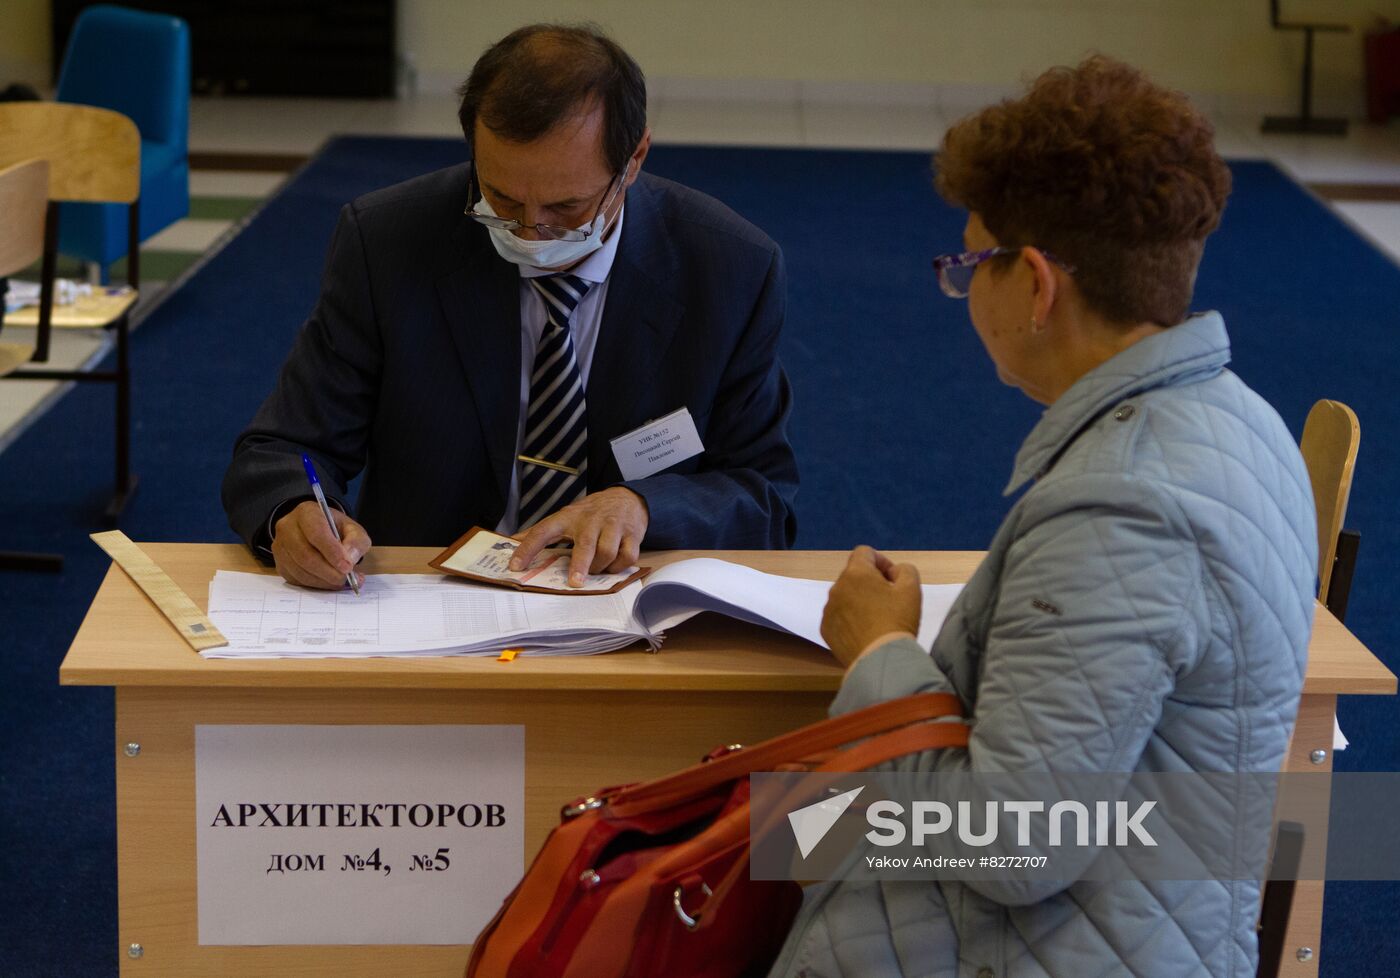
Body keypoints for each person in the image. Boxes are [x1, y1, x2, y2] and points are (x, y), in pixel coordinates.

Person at [771, 57, 1317, 977]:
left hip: (1037, 946)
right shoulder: (1241, 419)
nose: (962, 291)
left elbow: (1009, 846)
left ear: (1035, 283)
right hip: (1132, 922)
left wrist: (878, 653)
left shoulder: (1122, 504)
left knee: (740, 849)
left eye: (967, 264)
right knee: (776, 837)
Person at [222, 24, 798, 589]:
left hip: (627, 594)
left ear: (635, 158)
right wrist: (292, 514)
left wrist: (645, 506)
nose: (530, 233)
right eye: (500, 197)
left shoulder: (727, 268)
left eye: (565, 206)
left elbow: (763, 497)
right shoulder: (390, 241)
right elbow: (285, 446)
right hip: (428, 595)